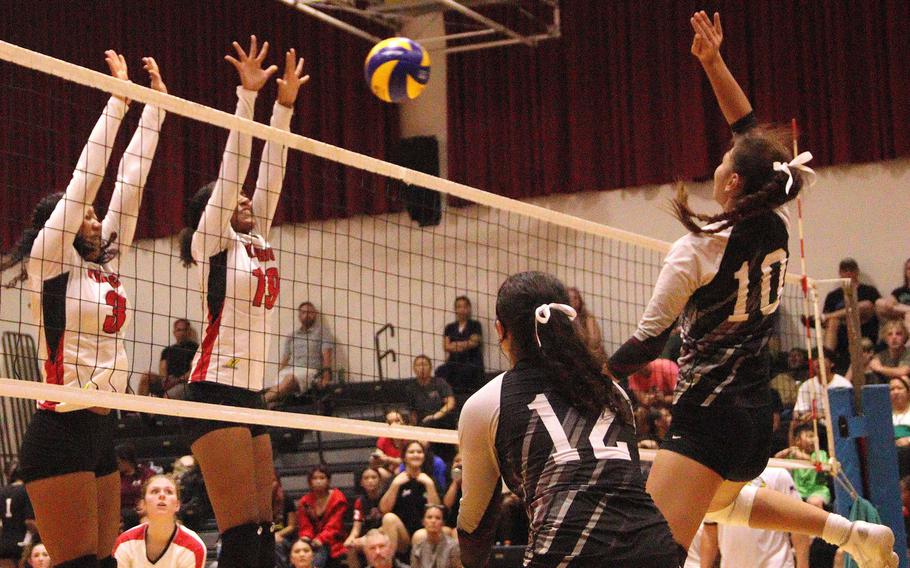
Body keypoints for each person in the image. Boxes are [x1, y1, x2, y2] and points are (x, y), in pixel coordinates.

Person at [606, 12, 897, 567]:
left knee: (646, 553)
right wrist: (713, 63)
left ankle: (851, 533)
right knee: (723, 506)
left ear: (733, 181)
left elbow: (646, 343)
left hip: (708, 416)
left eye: (723, 162)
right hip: (753, 415)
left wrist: (586, 376)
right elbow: (749, 131)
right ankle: (851, 532)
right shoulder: (777, 224)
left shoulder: (697, 249)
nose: (718, 163)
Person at [3, 52, 167, 568]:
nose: (96, 220)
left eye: (97, 216)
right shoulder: (50, 265)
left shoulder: (106, 267)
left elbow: (133, 181)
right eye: (87, 216)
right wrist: (118, 103)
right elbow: (83, 182)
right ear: (62, 227)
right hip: (58, 431)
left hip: (101, 429)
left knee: (104, 562)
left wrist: (154, 108)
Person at [177, 37, 308, 568]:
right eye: (234, 198)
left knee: (262, 527)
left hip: (251, 393)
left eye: (246, 197)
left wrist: (284, 107)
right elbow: (236, 169)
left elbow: (270, 169)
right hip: (212, 389)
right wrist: (247, 99)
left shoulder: (260, 238)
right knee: (239, 531)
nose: (246, 198)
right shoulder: (210, 244)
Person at [458, 271, 680, 567]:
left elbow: (475, 524)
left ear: (500, 330)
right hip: (655, 551)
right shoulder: (613, 392)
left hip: (568, 554)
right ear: (568, 324)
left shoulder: (486, 402)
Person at [699, 468, 810, 568]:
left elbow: (799, 525)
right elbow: (710, 531)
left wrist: (803, 564)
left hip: (777, 563)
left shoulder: (778, 474)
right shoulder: (718, 478)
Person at [112, 475, 206, 567]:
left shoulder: (193, 546)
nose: (162, 495)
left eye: (169, 492)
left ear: (177, 505)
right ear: (142, 504)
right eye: (155, 491)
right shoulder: (125, 542)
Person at [266, 302, 335, 406]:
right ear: (299, 315)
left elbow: (327, 356)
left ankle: (260, 401)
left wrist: (326, 378)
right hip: (289, 372)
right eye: (303, 312)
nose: (307, 315)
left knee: (290, 379)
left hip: (310, 371)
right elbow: (285, 358)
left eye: (310, 312)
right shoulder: (292, 336)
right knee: (276, 397)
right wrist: (279, 373)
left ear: (315, 314)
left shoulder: (322, 332)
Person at [821, 258, 881, 372]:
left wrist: (829, 316)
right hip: (842, 336)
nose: (848, 273)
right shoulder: (833, 296)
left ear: (857, 271)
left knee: (865, 304)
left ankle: (830, 316)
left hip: (864, 331)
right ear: (840, 273)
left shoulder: (868, 291)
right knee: (832, 320)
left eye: (851, 270)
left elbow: (874, 310)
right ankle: (827, 359)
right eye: (845, 270)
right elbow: (824, 324)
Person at [380, 441, 441, 545]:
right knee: (388, 519)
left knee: (420, 535)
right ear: (404, 457)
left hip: (425, 532)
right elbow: (384, 509)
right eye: (411, 452)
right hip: (402, 535)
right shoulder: (394, 481)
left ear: (424, 456)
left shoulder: (431, 481)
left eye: (419, 452)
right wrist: (395, 485)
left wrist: (429, 485)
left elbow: (436, 511)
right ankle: (390, 561)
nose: (416, 455)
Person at [296, 466, 348, 568]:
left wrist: (320, 539)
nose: (318, 481)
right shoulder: (305, 501)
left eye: (322, 478)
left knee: (320, 549)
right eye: (315, 478)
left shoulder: (338, 499)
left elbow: (334, 526)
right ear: (310, 482)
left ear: (328, 480)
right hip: (311, 540)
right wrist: (306, 538)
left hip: (334, 540)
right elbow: (305, 526)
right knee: (301, 548)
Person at [138, 318, 200, 399]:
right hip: (168, 381)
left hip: (183, 383)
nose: (182, 333)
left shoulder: (195, 348)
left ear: (188, 331)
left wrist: (177, 380)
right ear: (174, 332)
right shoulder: (168, 350)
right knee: (146, 377)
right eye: (179, 330)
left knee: (168, 395)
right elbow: (162, 370)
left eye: (184, 330)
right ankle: (140, 409)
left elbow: (193, 371)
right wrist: (166, 381)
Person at [774, 423, 831, 509]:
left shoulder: (820, 454)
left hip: (818, 490)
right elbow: (776, 458)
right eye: (809, 436)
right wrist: (788, 451)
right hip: (797, 491)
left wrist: (803, 457)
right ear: (798, 441)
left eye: (814, 437)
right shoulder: (794, 455)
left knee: (814, 502)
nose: (813, 440)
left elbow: (818, 464)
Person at [437, 296, 484, 396]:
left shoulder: (475, 325)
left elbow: (474, 343)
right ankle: (448, 399)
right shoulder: (449, 327)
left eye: (465, 306)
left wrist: (455, 344)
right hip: (454, 362)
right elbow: (446, 346)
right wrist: (465, 343)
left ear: (469, 308)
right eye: (459, 306)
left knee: (466, 371)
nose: (462, 309)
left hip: (471, 361)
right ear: (455, 309)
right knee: (440, 371)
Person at [793, 350, 853, 421]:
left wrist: (822, 415)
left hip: (837, 426)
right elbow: (797, 412)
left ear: (832, 363)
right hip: (814, 427)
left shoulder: (843, 384)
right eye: (815, 359)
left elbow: (846, 413)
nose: (818, 361)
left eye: (822, 357)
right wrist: (801, 416)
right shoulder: (806, 386)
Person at [344, 468, 385, 568]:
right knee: (350, 546)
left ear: (380, 480)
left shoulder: (386, 497)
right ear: (361, 483)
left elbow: (388, 523)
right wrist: (351, 539)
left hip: (384, 534)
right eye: (366, 478)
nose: (370, 481)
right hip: (367, 536)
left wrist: (369, 536)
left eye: (373, 477)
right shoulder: (360, 501)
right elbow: (356, 528)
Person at [0, 463, 36, 568]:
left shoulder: (2, 492)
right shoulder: (26, 490)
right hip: (23, 543)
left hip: (4, 542)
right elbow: (29, 521)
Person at [406, 356, 456, 428]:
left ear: (430, 367)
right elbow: (412, 412)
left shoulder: (440, 383)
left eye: (425, 365)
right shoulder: (411, 388)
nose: (422, 368)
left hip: (441, 420)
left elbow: (450, 403)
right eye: (419, 365)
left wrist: (434, 416)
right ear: (414, 368)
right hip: (423, 424)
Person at [116, 443, 156, 529]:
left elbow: (153, 489)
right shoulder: (117, 478)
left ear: (127, 460)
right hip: (124, 514)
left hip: (144, 510)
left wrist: (145, 506)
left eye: (119, 462)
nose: (117, 465)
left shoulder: (145, 473)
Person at [567, 287, 606, 359]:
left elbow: (595, 341)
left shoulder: (588, 317)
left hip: (590, 356)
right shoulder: (561, 319)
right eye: (570, 298)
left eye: (575, 298)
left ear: (580, 300)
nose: (573, 301)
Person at [875, 258, 910, 328]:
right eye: (909, 269)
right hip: (900, 325)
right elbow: (888, 303)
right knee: (879, 302)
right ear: (905, 272)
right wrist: (891, 302)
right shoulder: (899, 291)